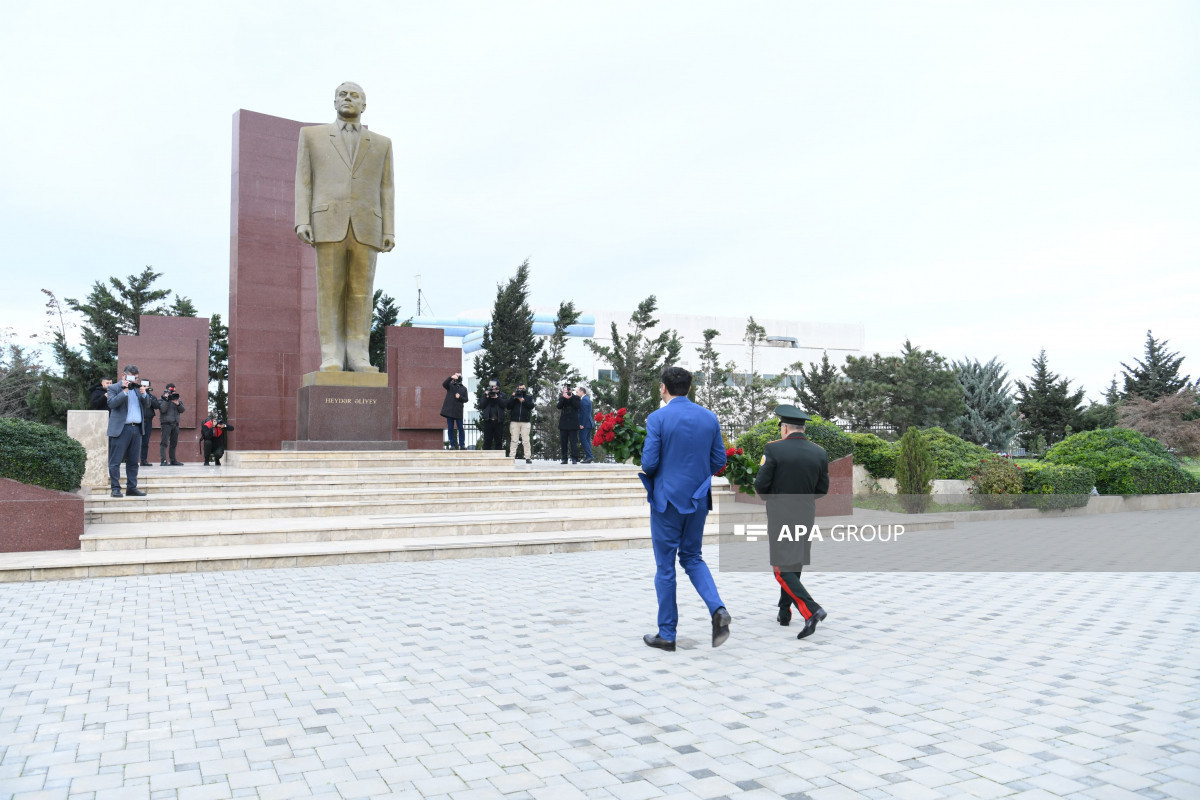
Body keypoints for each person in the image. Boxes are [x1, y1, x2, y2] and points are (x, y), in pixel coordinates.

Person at [295, 81, 395, 373]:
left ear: (364, 105)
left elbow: (386, 188)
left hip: (367, 227)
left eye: (355, 96)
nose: (348, 99)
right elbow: (304, 180)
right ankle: (331, 355)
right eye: (343, 94)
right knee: (329, 292)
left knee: (362, 294)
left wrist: (388, 229)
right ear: (334, 102)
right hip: (327, 222)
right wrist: (302, 219)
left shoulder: (382, 143)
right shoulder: (311, 136)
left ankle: (358, 354)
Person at [638, 366, 730, 651]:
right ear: (689, 388)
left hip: (666, 501)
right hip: (698, 499)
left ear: (663, 388)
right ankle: (717, 609)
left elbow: (649, 464)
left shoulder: (657, 418)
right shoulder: (709, 417)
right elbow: (718, 461)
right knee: (692, 557)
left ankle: (667, 633)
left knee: (666, 566)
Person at [753, 404, 831, 641]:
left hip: (780, 514)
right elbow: (822, 489)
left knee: (780, 569)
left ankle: (811, 610)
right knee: (794, 562)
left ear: (784, 428)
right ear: (802, 428)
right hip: (806, 513)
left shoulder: (774, 449)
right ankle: (784, 612)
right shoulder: (819, 452)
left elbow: (760, 485)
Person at [106, 365, 151, 498]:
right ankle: (115, 488)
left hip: (136, 429)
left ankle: (132, 487)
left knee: (133, 462)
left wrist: (144, 394)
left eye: (136, 378)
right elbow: (112, 404)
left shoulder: (137, 389)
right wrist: (124, 391)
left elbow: (147, 405)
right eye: (131, 377)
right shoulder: (113, 388)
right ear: (123, 376)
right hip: (121, 429)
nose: (134, 381)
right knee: (115, 461)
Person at [158, 382, 186, 465]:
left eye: (174, 391)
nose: (172, 393)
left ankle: (173, 460)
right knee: (164, 443)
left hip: (175, 424)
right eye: (171, 391)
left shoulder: (177, 399)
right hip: (166, 424)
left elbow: (182, 410)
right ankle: (163, 461)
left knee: (173, 443)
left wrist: (177, 403)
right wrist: (167, 400)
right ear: (166, 390)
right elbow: (162, 410)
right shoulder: (162, 398)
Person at [507, 381, 534, 463]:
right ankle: (512, 457)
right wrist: (513, 397)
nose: (521, 390)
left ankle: (528, 457)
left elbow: (531, 406)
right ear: (517, 388)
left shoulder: (529, 397)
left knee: (526, 440)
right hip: (515, 421)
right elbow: (508, 406)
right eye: (520, 388)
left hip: (525, 422)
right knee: (514, 440)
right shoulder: (514, 397)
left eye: (522, 388)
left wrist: (523, 400)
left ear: (525, 388)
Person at [440, 373, 468, 449]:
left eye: (458, 375)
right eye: (456, 374)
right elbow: (444, 384)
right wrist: (451, 377)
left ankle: (462, 445)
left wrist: (460, 397)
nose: (457, 375)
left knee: (461, 428)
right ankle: (452, 445)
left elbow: (466, 399)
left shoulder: (464, 388)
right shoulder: (450, 385)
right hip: (450, 411)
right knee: (450, 429)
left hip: (458, 411)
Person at [478, 379, 508, 451]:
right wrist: (486, 397)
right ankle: (486, 457)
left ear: (498, 387)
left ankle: (498, 458)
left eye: (495, 386)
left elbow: (504, 405)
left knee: (498, 440)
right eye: (492, 386)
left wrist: (497, 398)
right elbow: (482, 405)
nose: (493, 388)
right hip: (488, 420)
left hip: (498, 421)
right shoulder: (486, 394)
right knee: (487, 440)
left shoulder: (502, 395)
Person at [138, 383, 162, 467]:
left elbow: (157, 406)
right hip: (139, 422)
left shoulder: (152, 396)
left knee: (145, 442)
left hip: (148, 421)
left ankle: (143, 460)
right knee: (135, 442)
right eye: (143, 386)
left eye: (146, 386)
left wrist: (148, 397)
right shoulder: (138, 395)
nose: (145, 387)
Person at [556, 385, 581, 464]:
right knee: (563, 442)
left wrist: (571, 397)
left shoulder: (576, 398)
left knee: (573, 442)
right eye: (564, 391)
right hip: (563, 424)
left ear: (571, 391)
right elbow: (559, 406)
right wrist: (564, 398)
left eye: (567, 391)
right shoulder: (562, 398)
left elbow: (578, 406)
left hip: (573, 423)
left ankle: (574, 458)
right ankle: (564, 458)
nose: (566, 393)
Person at [576, 386, 594, 464]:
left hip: (585, 424)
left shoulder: (584, 400)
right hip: (587, 423)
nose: (576, 393)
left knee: (583, 439)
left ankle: (590, 456)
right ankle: (588, 457)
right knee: (586, 440)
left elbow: (585, 414)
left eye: (577, 392)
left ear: (582, 392)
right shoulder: (585, 399)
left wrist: (582, 424)